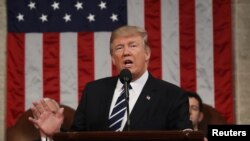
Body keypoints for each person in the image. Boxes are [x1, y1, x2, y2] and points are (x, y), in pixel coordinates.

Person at [28, 25, 193, 139]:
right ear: (113, 59)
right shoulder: (94, 91)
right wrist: (55, 133)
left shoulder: (172, 95)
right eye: (119, 48)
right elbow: (78, 137)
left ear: (147, 53)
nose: (126, 52)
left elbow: (183, 137)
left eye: (133, 45)